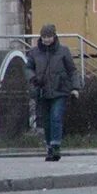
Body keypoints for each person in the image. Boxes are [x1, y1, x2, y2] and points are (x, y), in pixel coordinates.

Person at [25, 24, 81, 162]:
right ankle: (49, 147)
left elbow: (72, 70)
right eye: (44, 37)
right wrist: (33, 78)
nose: (46, 40)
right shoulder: (34, 52)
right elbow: (28, 68)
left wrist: (75, 88)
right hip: (42, 91)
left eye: (49, 36)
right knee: (46, 121)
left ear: (54, 36)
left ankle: (56, 146)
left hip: (60, 90)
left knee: (56, 117)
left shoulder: (63, 51)